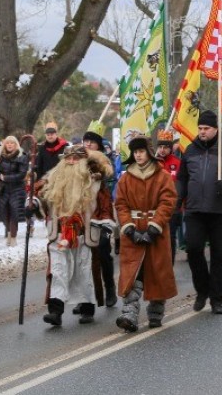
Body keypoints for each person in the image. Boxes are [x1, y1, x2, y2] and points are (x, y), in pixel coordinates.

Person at [178, 110, 222, 315]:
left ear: (215, 129)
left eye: (206, 128)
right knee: (193, 249)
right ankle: (202, 290)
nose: (202, 132)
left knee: (219, 255)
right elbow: (182, 178)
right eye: (200, 128)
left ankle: (217, 299)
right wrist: (177, 199)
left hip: (221, 211)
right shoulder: (190, 150)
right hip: (195, 209)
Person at [39, 144, 113, 326]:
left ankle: (87, 308)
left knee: (83, 272)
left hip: (83, 234)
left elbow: (105, 205)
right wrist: (33, 203)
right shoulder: (53, 179)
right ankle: (55, 311)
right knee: (58, 271)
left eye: (75, 159)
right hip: (59, 233)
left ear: (83, 161)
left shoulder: (94, 182)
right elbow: (39, 196)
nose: (71, 162)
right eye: (68, 158)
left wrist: (105, 224)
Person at [114, 136, 178, 332]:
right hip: (132, 230)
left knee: (157, 271)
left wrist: (154, 226)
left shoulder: (162, 176)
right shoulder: (126, 178)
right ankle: (129, 313)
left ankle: (156, 312)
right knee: (133, 272)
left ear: (149, 152)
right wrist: (128, 228)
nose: (138, 155)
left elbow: (168, 201)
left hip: (156, 232)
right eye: (135, 152)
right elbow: (121, 203)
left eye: (141, 151)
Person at [81, 121, 118, 307]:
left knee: (103, 248)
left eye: (92, 142)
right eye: (86, 141)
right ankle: (85, 297)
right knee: (82, 255)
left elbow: (108, 171)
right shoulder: (76, 157)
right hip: (81, 210)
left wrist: (96, 170)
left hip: (100, 208)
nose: (88, 144)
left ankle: (110, 287)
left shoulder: (103, 158)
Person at [0, 135, 29, 246]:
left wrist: (6, 178)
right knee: (5, 212)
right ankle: (9, 232)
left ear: (16, 145)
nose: (9, 145)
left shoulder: (22, 156)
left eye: (12, 143)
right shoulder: (1, 157)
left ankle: (13, 237)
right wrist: (0, 176)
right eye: (8, 143)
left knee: (15, 212)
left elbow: (22, 174)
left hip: (17, 188)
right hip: (4, 188)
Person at [155, 129, 183, 259]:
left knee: (170, 237)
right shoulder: (153, 163)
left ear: (170, 148)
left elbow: (181, 184)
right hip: (155, 207)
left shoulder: (177, 163)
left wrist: (179, 204)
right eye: (160, 147)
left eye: (165, 147)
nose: (162, 150)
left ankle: (169, 267)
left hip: (173, 208)